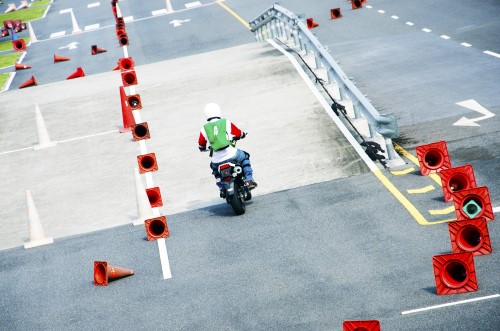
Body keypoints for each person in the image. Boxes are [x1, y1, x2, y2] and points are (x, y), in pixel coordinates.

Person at [198, 103, 257, 194]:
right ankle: (249, 180)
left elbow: (201, 144)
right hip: (232, 154)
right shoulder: (225, 122)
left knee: (214, 169)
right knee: (245, 156)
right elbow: (238, 133)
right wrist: (243, 134)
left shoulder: (204, 128)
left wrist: (202, 148)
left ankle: (222, 188)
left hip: (217, 160)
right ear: (218, 111)